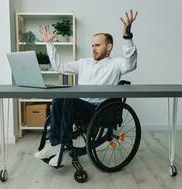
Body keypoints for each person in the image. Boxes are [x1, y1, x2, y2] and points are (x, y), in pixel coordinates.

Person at [34, 10, 138, 167]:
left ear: (109, 46)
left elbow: (131, 63)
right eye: (92, 45)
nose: (94, 48)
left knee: (68, 100)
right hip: (80, 105)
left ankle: (62, 148)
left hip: (98, 109)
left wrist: (127, 35)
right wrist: (49, 44)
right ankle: (54, 143)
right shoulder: (84, 63)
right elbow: (60, 66)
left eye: (98, 45)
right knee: (59, 96)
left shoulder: (116, 64)